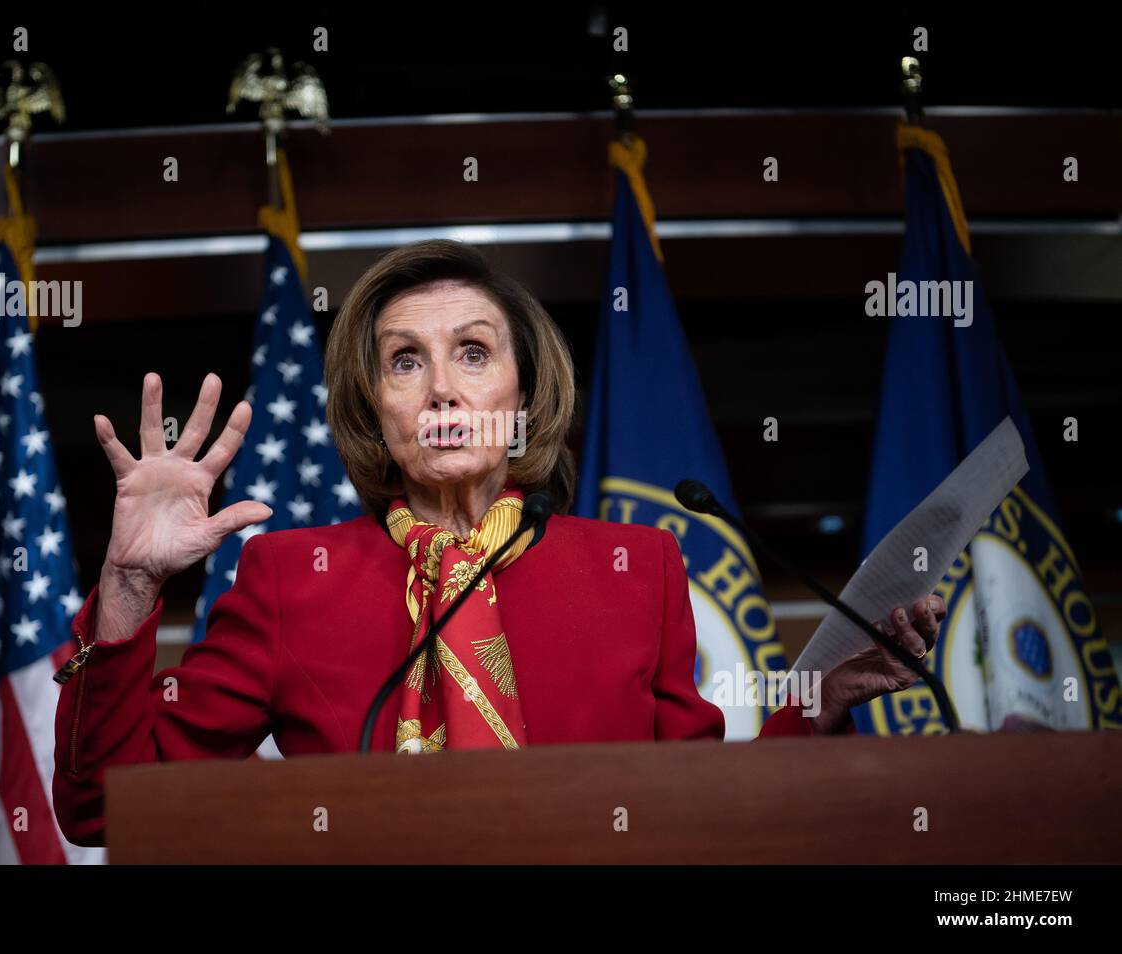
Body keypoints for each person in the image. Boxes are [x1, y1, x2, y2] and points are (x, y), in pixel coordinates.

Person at [52, 240, 945, 846]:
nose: (441, 388)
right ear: (375, 411)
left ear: (523, 397)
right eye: (405, 361)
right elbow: (106, 810)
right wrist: (129, 584)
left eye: (473, 353)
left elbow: (697, 824)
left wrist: (816, 702)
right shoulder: (291, 578)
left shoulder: (635, 571)